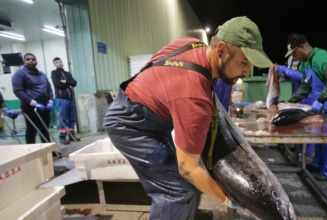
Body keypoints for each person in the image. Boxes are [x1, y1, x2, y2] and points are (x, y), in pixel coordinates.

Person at [103, 16, 273, 219]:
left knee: (186, 182)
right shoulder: (194, 98)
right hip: (130, 125)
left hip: (141, 108)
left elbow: (152, 69)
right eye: (243, 62)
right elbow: (188, 169)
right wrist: (228, 200)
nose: (247, 71)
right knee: (177, 190)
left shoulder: (191, 44)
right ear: (221, 50)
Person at [284, 33, 327, 182]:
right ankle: (318, 164)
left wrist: (321, 99)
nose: (294, 57)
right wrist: (290, 101)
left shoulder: (322, 58)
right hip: (324, 98)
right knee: (322, 132)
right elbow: (305, 87)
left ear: (302, 47)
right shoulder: (305, 64)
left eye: (294, 53)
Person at [12, 53, 54, 144]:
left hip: (44, 106)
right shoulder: (20, 74)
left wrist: (50, 100)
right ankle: (30, 151)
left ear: (36, 62)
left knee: (44, 129)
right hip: (31, 107)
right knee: (32, 129)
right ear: (24, 61)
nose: (31, 61)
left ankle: (49, 151)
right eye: (28, 59)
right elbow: (18, 90)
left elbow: (49, 88)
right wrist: (31, 101)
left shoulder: (42, 74)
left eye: (33, 59)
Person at [51, 57, 80, 145]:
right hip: (61, 99)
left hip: (70, 99)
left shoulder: (67, 73)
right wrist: (68, 82)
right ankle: (62, 137)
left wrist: (66, 81)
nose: (59, 63)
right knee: (63, 119)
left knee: (72, 118)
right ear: (54, 64)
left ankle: (71, 136)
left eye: (60, 61)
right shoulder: (54, 73)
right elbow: (58, 84)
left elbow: (74, 83)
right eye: (57, 62)